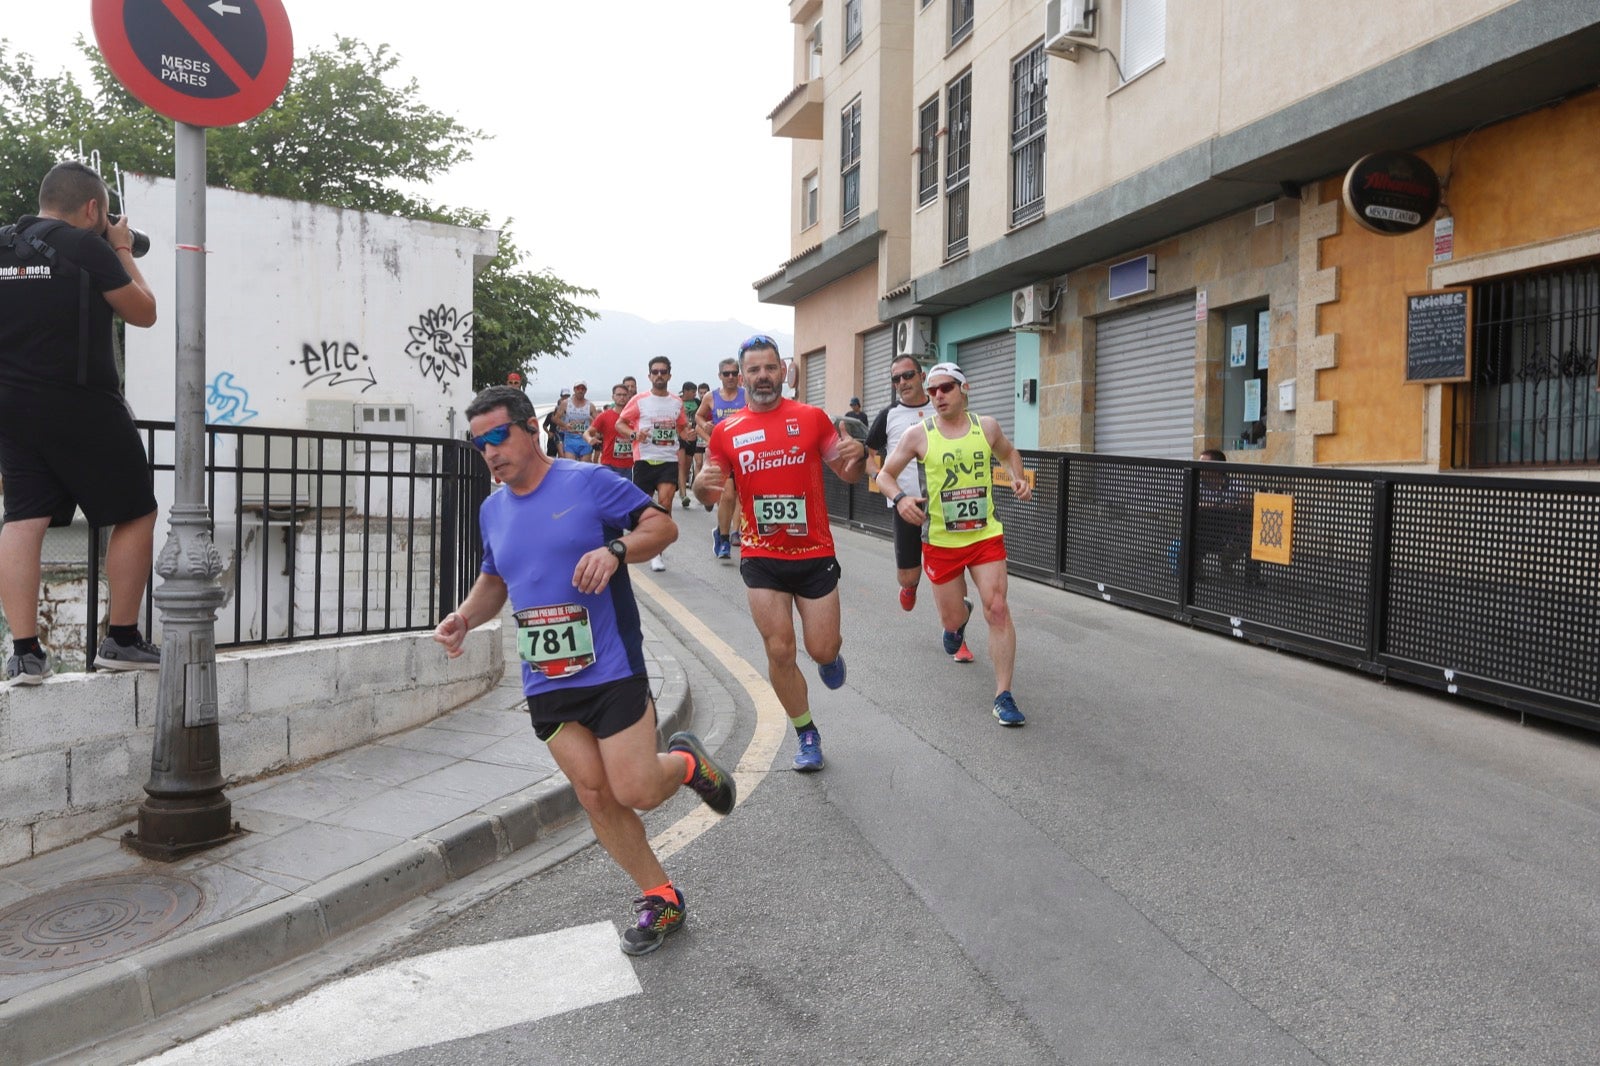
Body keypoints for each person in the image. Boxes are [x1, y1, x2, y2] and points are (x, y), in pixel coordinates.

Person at [435, 385, 734, 956]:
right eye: (479, 445)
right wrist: (463, 618)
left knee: (637, 789)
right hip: (545, 679)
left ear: (529, 427)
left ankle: (686, 761)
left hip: (610, 667)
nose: (490, 452)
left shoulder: (586, 482)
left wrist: (616, 550)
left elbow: (663, 527)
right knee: (596, 797)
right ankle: (661, 898)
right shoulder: (491, 509)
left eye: (498, 436)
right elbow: (496, 581)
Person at [0, 161, 160, 683]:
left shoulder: (4, 245)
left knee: (23, 519)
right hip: (82, 403)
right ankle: (121, 639)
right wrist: (119, 244)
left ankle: (24, 652)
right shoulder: (84, 243)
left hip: (11, 407)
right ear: (93, 209)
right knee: (135, 510)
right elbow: (143, 311)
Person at [694, 335, 866, 771]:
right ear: (742, 375)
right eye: (753, 370)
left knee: (822, 648)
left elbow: (845, 473)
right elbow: (709, 487)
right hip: (761, 554)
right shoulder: (726, 430)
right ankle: (806, 732)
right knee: (780, 651)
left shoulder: (810, 419)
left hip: (813, 552)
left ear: (783, 372)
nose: (762, 376)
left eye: (770, 368)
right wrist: (699, 488)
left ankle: (829, 658)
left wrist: (858, 455)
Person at [877, 362, 1032, 727]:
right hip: (942, 540)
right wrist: (900, 499)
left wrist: (1019, 479)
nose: (937, 396)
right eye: (931, 391)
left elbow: (1010, 454)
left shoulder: (986, 427)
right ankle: (956, 621)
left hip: (984, 534)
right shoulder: (918, 434)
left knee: (996, 608)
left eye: (945, 388)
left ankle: (1003, 696)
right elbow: (885, 475)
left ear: (965, 388)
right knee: (952, 617)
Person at [864, 357, 935, 614]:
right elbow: (867, 456)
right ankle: (910, 586)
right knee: (908, 577)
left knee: (948, 575)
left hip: (942, 504)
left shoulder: (940, 408)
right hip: (905, 504)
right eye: (896, 379)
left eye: (908, 376)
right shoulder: (888, 415)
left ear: (922, 376)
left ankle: (955, 627)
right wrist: (880, 479)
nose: (902, 383)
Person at [616, 357, 687, 572]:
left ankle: (657, 553)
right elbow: (620, 423)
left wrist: (688, 434)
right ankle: (642, 542)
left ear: (669, 375)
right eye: (655, 372)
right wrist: (635, 434)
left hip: (668, 459)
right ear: (649, 376)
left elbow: (682, 427)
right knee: (644, 508)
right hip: (644, 459)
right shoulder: (639, 400)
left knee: (665, 503)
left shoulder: (676, 402)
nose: (659, 375)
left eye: (663, 371)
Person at [696, 356, 747, 558]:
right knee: (726, 495)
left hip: (743, 451)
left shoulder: (746, 395)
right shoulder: (711, 396)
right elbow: (699, 416)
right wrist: (706, 427)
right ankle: (724, 540)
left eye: (734, 373)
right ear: (720, 376)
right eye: (726, 373)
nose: (731, 377)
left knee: (741, 496)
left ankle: (733, 531)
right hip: (721, 453)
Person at [586, 384, 636, 478]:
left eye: (625, 395)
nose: (622, 397)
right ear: (613, 397)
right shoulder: (605, 416)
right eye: (619, 395)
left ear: (629, 397)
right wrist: (589, 439)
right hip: (609, 464)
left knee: (624, 492)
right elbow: (587, 432)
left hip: (629, 465)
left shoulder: (635, 416)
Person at [557, 380, 597, 462]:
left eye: (583, 388)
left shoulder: (591, 406)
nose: (580, 390)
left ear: (585, 391)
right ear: (574, 389)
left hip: (585, 439)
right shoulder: (566, 403)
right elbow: (555, 418)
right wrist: (565, 425)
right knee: (571, 467)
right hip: (570, 439)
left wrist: (593, 425)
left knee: (584, 469)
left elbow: (598, 422)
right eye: (578, 388)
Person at [676, 381, 701, 507]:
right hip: (680, 436)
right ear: (685, 391)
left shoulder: (697, 402)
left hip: (693, 437)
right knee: (681, 464)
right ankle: (683, 494)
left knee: (687, 465)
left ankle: (681, 485)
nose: (694, 394)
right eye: (692, 392)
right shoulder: (677, 401)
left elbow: (702, 416)